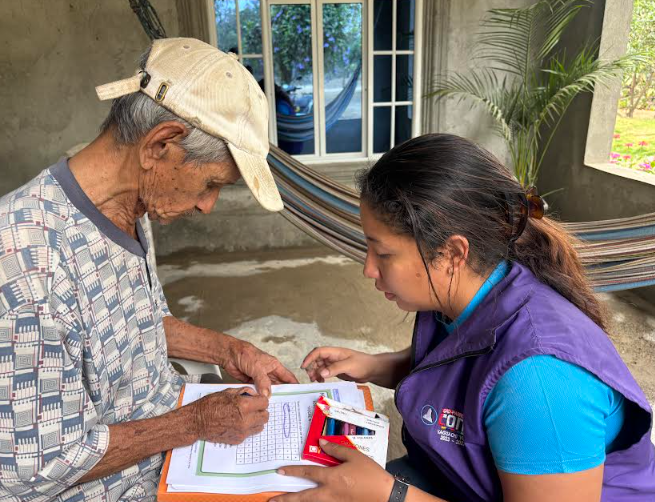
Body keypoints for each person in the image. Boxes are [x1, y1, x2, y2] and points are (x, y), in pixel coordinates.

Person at [269, 134, 655, 502]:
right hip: (460, 481)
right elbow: (458, 368)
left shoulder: (540, 383)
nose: (368, 269)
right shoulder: (468, 295)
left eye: (383, 254)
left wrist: (389, 493)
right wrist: (373, 366)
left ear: (453, 253)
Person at [0, 38, 299, 501]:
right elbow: (37, 466)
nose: (207, 205)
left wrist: (231, 351)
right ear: (160, 145)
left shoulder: (133, 206)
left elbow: (137, 324)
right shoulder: (25, 260)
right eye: (211, 184)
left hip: (171, 455)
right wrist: (195, 423)